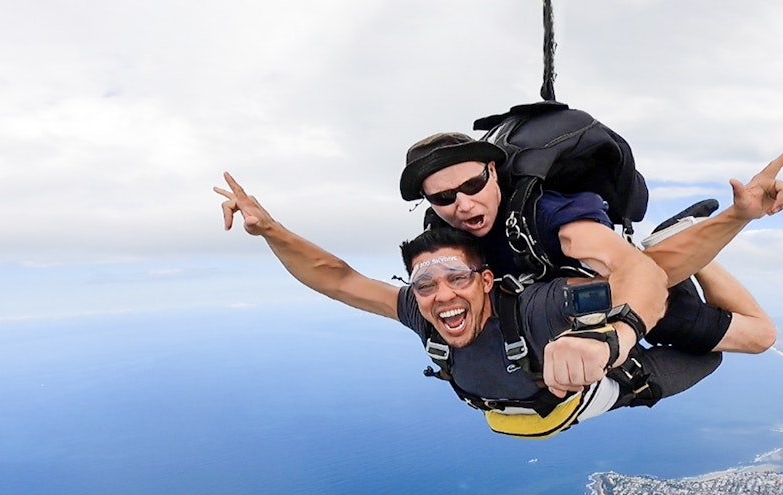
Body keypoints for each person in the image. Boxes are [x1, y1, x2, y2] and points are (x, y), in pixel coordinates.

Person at [214, 173, 721, 437]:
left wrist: (614, 339)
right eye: (425, 284)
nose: (441, 294)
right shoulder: (421, 311)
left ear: (484, 281)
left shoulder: (538, 309)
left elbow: (650, 278)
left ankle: (663, 243)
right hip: (520, 415)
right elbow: (338, 279)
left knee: (726, 347)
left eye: (455, 278)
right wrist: (270, 231)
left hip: (593, 393)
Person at [400, 134, 783, 356]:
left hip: (617, 291)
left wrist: (739, 215)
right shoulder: (444, 241)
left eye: (472, 184)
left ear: (493, 170)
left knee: (760, 336)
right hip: (562, 305)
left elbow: (639, 273)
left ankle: (684, 241)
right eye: (443, 198)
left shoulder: (547, 215)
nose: (463, 203)